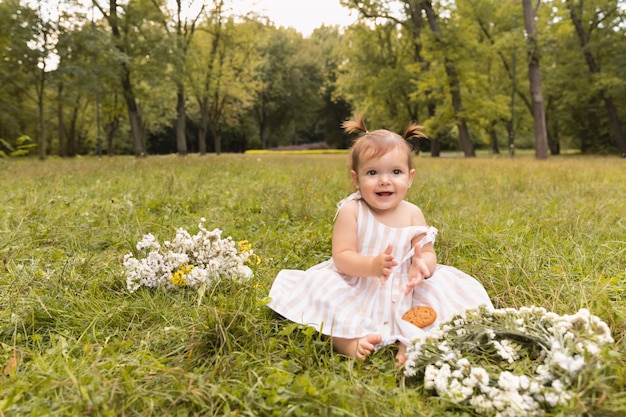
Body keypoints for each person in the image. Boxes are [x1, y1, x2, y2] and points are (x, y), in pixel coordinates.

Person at [267, 115, 493, 364]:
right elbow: (341, 257)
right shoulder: (352, 211)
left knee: (440, 299)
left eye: (396, 172)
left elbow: (427, 252)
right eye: (373, 172)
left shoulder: (412, 213)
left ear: (410, 177)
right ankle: (346, 340)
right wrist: (372, 266)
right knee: (326, 294)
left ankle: (411, 343)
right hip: (358, 282)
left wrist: (423, 266)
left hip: (406, 285)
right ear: (356, 179)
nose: (385, 180)